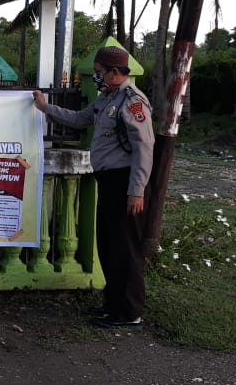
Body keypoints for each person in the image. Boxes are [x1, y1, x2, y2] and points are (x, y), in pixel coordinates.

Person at [32, 46, 154, 327]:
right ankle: (113, 306)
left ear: (115, 72)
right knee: (109, 245)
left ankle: (129, 312)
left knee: (126, 249)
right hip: (110, 182)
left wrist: (136, 191)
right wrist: (46, 107)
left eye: (99, 73)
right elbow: (79, 119)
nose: (96, 77)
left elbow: (144, 148)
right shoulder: (106, 99)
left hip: (126, 183)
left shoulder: (133, 102)